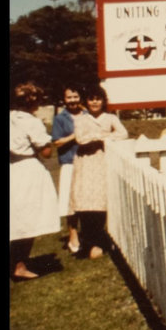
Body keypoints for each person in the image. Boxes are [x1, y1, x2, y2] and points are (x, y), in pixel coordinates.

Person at [10, 82, 61, 280]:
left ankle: (16, 262)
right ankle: (20, 265)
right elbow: (46, 152)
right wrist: (48, 142)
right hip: (28, 169)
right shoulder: (31, 121)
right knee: (28, 217)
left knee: (15, 217)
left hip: (12, 167)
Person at [70, 86, 127, 259]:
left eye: (98, 99)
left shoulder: (110, 118)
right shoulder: (80, 120)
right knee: (86, 202)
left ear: (103, 101)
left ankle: (100, 241)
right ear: (86, 102)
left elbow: (123, 133)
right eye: (91, 99)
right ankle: (89, 241)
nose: (95, 102)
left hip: (103, 162)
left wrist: (103, 137)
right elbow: (81, 138)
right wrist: (99, 136)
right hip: (86, 164)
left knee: (102, 201)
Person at [51, 85, 85, 254]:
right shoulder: (60, 118)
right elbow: (56, 141)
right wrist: (75, 136)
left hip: (88, 162)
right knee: (69, 201)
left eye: (75, 97)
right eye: (69, 98)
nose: (72, 101)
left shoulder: (87, 115)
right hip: (69, 162)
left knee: (86, 200)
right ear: (64, 100)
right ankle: (73, 234)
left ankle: (88, 234)